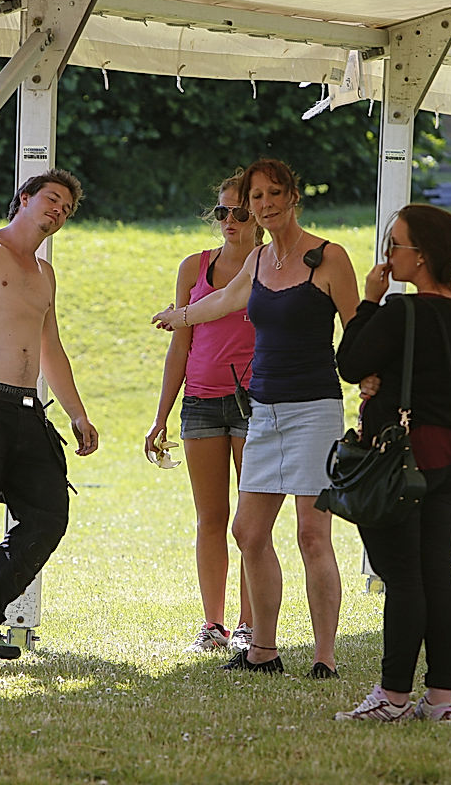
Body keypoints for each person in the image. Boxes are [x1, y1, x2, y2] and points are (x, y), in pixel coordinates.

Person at [152, 158, 359, 677]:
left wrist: (374, 389)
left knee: (312, 534)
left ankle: (324, 657)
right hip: (262, 410)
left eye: (271, 195)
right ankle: (262, 650)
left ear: (293, 196)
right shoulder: (260, 260)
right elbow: (223, 300)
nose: (263, 206)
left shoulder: (328, 258)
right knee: (247, 530)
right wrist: (179, 316)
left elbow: (359, 334)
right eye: (254, 198)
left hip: (314, 408)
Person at [0, 122, 99, 666]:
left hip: (29, 407)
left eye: (66, 209)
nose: (58, 212)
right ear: (24, 200)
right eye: (51, 199)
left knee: (49, 515)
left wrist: (77, 414)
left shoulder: (45, 273)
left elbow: (52, 346)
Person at [332, 204, 451, 722]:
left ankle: (393, 697)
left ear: (423, 256)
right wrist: (383, 377)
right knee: (438, 571)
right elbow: (427, 374)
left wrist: (368, 303)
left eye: (395, 245)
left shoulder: (401, 311)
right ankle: (441, 700)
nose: (387, 254)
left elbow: (349, 363)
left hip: (399, 460)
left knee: (402, 576)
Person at [145, 172, 260, 653]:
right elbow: (180, 345)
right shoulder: (194, 266)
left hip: (254, 402)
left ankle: (251, 623)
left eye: (240, 213)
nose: (230, 221)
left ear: (260, 217)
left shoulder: (269, 264)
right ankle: (214, 624)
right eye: (222, 212)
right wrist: (161, 415)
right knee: (210, 518)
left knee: (251, 524)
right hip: (200, 401)